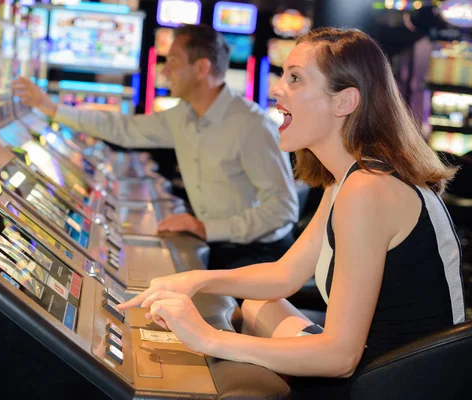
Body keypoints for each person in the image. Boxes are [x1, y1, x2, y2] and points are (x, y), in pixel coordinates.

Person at [117, 27, 466, 397]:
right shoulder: (349, 179)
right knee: (256, 306)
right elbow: (285, 275)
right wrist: (194, 280)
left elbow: (339, 357)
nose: (276, 89)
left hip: (389, 384)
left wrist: (208, 338)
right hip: (381, 366)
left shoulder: (369, 189)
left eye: (295, 78)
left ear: (344, 102)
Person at [13, 24, 299, 270]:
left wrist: (204, 228)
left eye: (173, 60)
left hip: (260, 256)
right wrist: (50, 107)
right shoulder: (183, 116)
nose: (164, 71)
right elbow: (123, 130)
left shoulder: (251, 125)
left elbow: (283, 210)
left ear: (202, 68)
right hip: (217, 244)